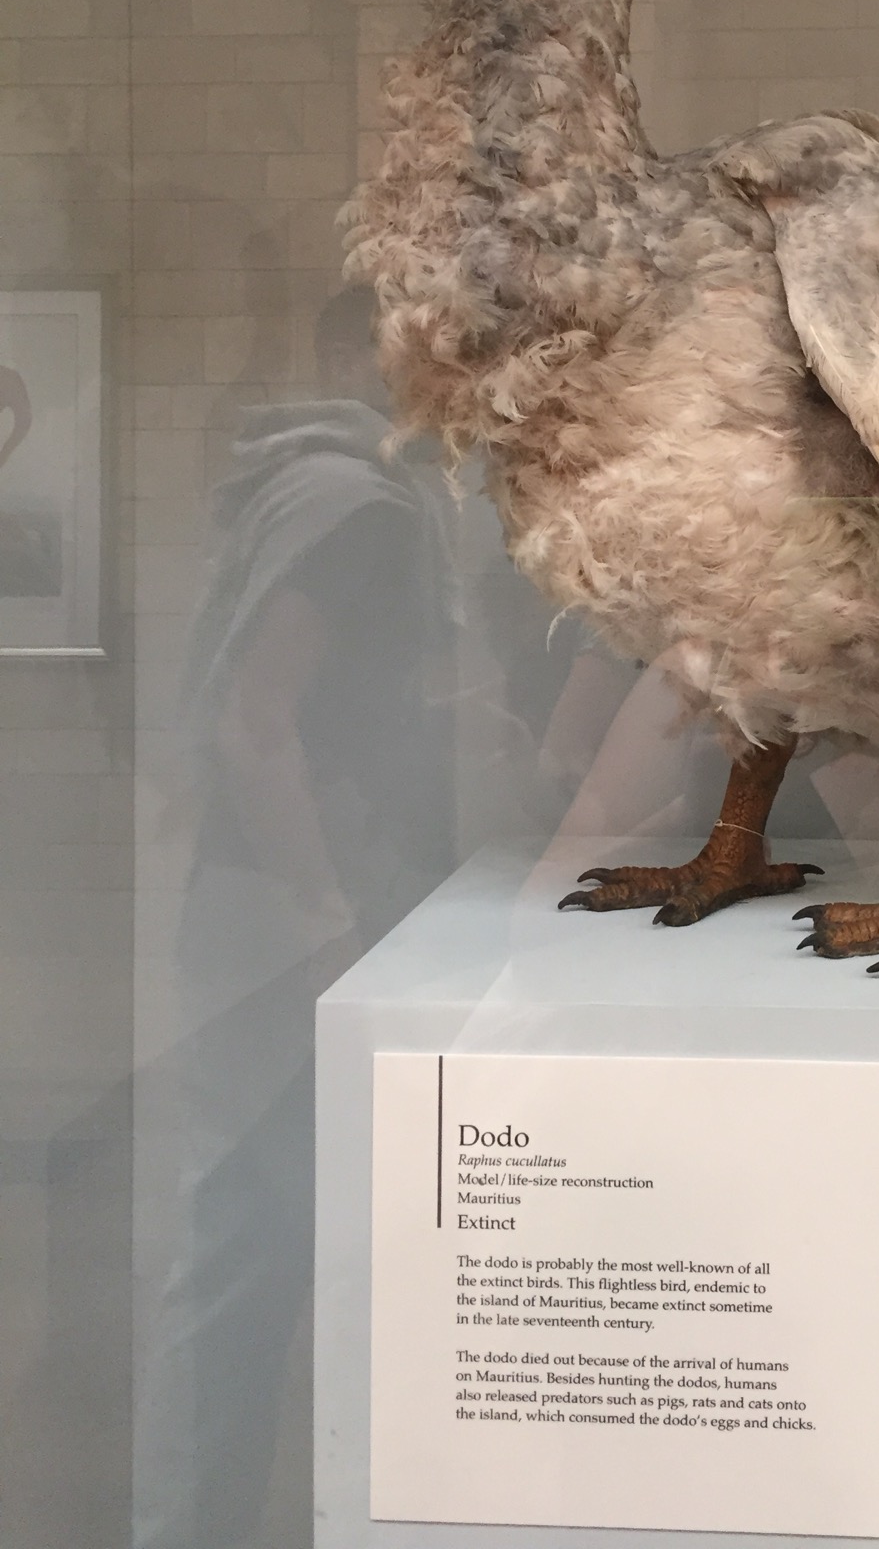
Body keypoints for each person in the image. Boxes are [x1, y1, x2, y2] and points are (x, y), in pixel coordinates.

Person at [134, 288, 456, 1549]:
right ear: (349, 353)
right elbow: (253, 725)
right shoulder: (352, 500)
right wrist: (330, 927)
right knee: (243, 1255)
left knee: (255, 1246)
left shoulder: (337, 486)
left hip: (282, 907)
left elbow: (307, 713)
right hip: (294, 920)